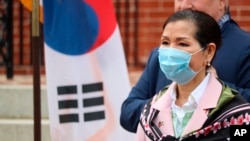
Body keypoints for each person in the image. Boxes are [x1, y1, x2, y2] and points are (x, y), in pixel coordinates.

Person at [120, 0, 250, 133]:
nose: (185, 5)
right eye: (165, 42)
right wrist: (169, 106)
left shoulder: (245, 48)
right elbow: (128, 113)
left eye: (183, 44)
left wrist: (212, 88)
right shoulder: (160, 56)